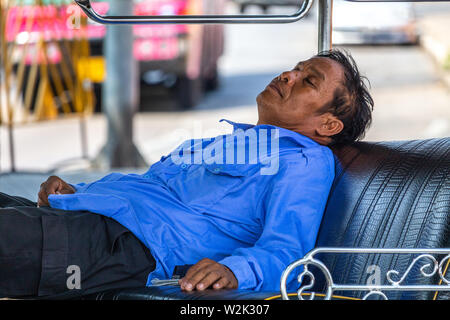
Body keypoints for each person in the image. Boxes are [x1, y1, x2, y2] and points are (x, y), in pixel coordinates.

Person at [0, 49, 373, 298]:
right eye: (297, 68)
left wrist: (234, 270)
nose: (288, 75)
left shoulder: (303, 164)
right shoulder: (238, 143)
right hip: (91, 218)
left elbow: (288, 253)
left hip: (124, 247)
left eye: (308, 81)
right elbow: (151, 188)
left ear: (328, 125)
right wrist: (76, 190)